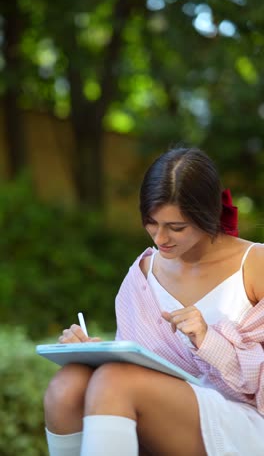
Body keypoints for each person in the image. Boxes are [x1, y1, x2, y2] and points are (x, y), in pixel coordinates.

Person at [44, 146, 264, 456]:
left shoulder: (255, 265)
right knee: (69, 384)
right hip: (158, 409)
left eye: (176, 227)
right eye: (151, 223)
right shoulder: (143, 273)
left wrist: (208, 340)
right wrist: (92, 352)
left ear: (209, 215)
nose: (160, 239)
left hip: (244, 420)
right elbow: (137, 363)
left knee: (114, 381)